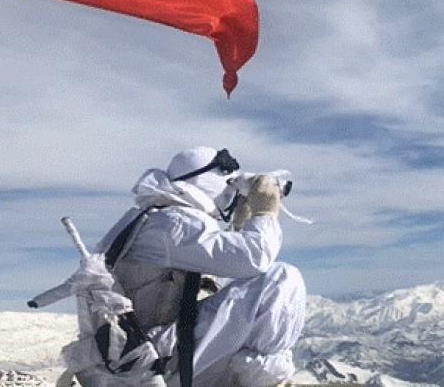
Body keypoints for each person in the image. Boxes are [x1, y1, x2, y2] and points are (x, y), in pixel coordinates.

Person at [96, 146, 306, 387]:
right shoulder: (174, 223)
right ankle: (264, 380)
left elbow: (226, 278)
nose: (231, 193)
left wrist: (240, 226)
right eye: (228, 185)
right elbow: (256, 258)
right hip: (153, 360)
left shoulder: (158, 218)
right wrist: (265, 213)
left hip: (143, 353)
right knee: (282, 279)